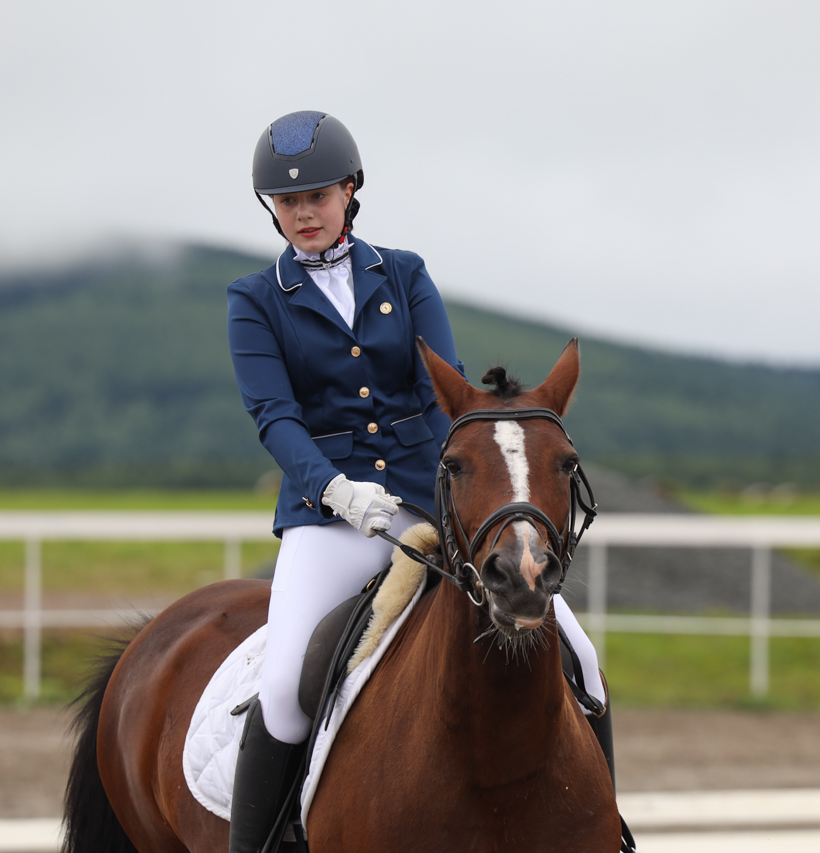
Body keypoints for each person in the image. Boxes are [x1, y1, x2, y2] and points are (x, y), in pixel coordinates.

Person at [225, 110, 611, 853]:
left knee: (583, 660)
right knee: (281, 691)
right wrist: (334, 491)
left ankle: (605, 826)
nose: (304, 212)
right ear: (272, 208)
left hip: (426, 509)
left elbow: (449, 398)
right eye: (288, 201)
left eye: (318, 197)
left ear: (350, 192)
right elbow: (274, 416)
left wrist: (457, 498)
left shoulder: (402, 273)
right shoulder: (255, 299)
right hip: (327, 519)